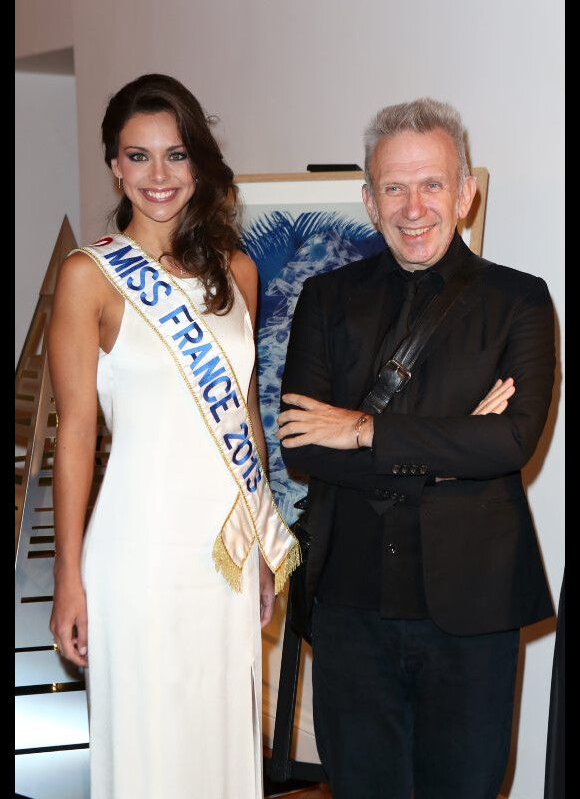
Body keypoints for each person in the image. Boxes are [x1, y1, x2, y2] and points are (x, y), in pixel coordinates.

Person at [277, 97, 555, 799]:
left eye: (432, 184)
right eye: (394, 188)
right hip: (349, 607)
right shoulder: (324, 299)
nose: (414, 207)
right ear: (369, 200)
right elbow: (305, 446)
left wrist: (368, 428)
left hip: (474, 609)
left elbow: (513, 439)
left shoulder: (520, 302)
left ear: (466, 192)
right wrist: (457, 438)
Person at [48, 73, 299, 799]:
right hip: (137, 553)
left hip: (222, 556)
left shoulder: (238, 273)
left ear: (199, 164)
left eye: (176, 156)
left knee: (220, 738)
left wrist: (257, 544)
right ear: (114, 167)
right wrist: (68, 578)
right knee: (149, 748)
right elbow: (74, 439)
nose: (159, 176)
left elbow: (245, 419)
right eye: (138, 157)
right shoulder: (89, 277)